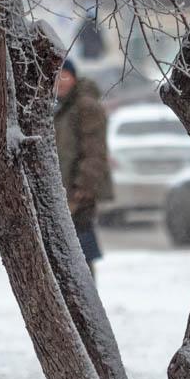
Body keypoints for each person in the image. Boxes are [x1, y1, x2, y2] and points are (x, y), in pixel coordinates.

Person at [53, 56, 112, 275]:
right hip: (63, 193)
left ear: (74, 78)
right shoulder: (59, 107)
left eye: (65, 75)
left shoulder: (85, 106)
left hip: (79, 195)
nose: (60, 81)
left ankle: (85, 305)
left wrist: (81, 191)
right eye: (56, 76)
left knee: (79, 256)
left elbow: (94, 153)